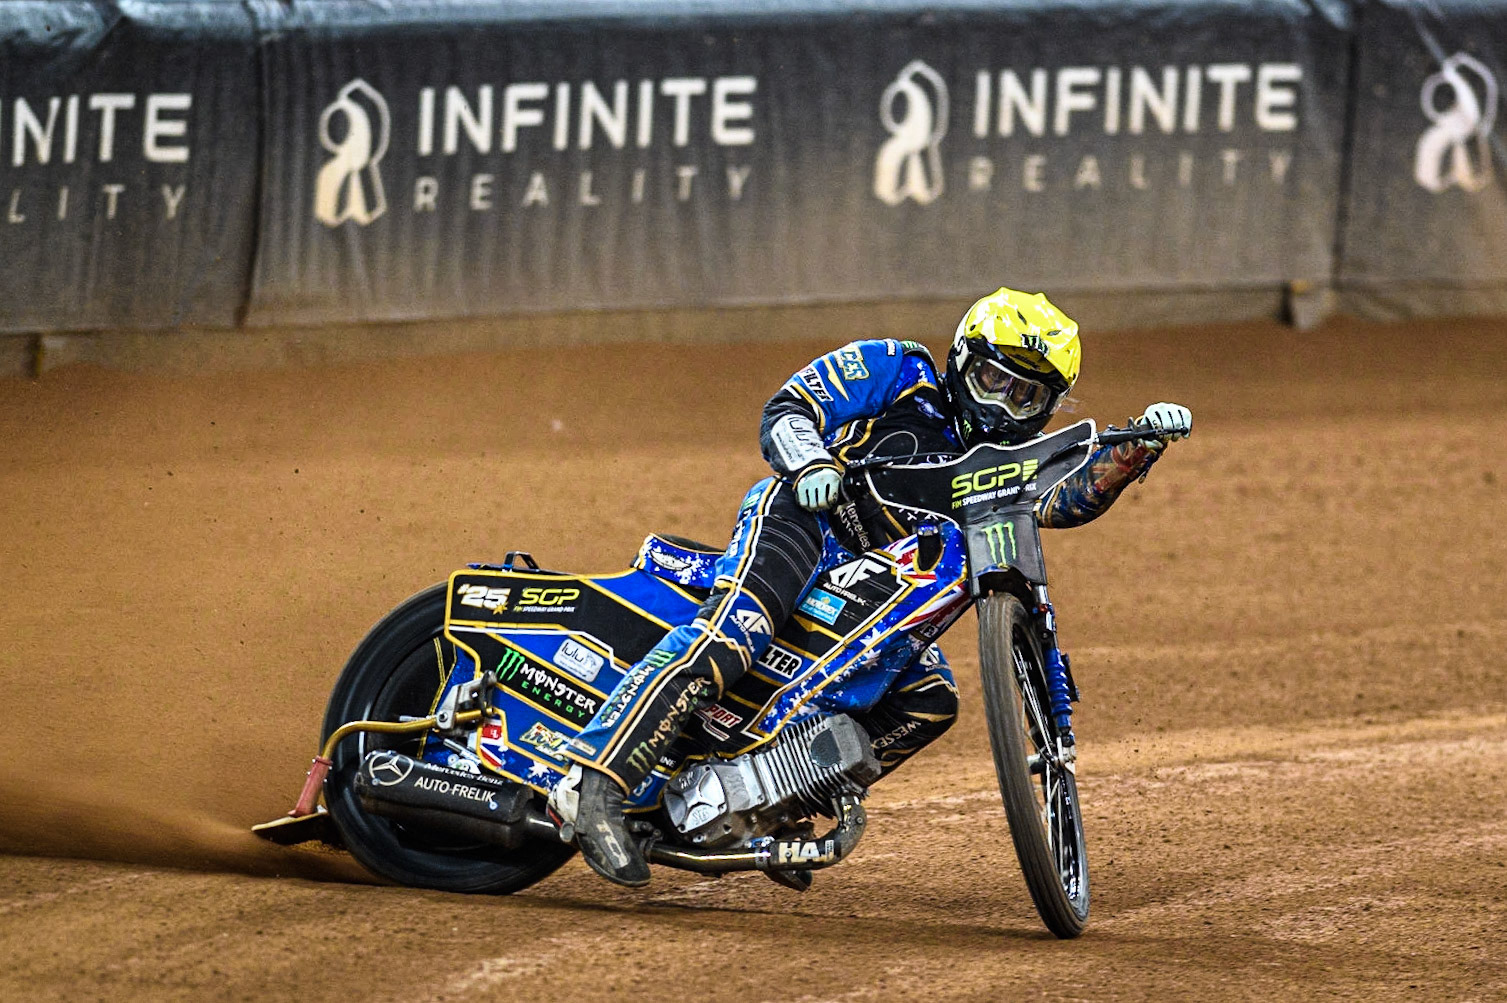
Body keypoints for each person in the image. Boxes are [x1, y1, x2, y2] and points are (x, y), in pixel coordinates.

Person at [562, 287, 1193, 886]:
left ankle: (769, 807)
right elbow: (788, 407)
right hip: (806, 524)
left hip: (891, 588)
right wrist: (810, 461)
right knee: (737, 634)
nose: (1001, 405)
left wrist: (1137, 448)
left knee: (931, 701)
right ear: (960, 360)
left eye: (1024, 397)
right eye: (992, 380)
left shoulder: (1012, 468)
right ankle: (599, 787)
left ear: (1047, 410)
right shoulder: (899, 368)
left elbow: (1064, 502)